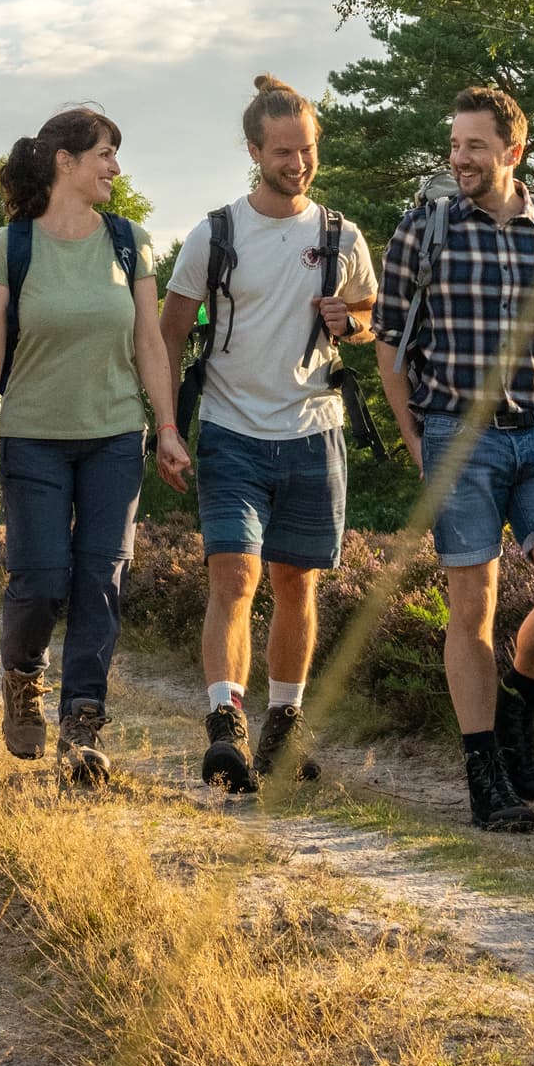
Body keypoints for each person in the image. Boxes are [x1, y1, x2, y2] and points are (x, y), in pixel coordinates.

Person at [370, 83, 534, 836]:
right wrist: (416, 436)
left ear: (512, 151)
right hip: (460, 438)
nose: (460, 159)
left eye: (474, 146)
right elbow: (387, 341)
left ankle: (520, 696)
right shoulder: (427, 229)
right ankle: (484, 768)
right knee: (472, 607)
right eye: (454, 146)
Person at [159, 74, 375, 792]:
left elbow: (369, 314)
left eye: (307, 149)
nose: (298, 163)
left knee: (296, 581)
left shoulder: (341, 234)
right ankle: (226, 725)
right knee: (235, 576)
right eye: (283, 151)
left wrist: (356, 321)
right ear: (254, 150)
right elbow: (165, 333)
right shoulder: (213, 234)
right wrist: (166, 424)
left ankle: (285, 725)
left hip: (315, 430)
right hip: (230, 429)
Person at [0, 104, 190, 780]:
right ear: (65, 161)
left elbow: (150, 342)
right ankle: (22, 677)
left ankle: (83, 725)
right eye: (104, 154)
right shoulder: (11, 246)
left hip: (115, 435)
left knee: (101, 579)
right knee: (40, 579)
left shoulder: (130, 240)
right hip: (32, 435)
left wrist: (169, 428)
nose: (115, 169)